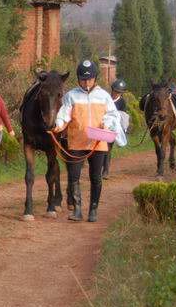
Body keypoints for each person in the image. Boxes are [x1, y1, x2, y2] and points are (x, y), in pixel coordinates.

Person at [52, 60, 125, 223]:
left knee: (96, 177)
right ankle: (77, 210)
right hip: (77, 142)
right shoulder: (71, 96)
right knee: (73, 177)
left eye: (90, 79)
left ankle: (93, 209)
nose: (86, 82)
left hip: (98, 143)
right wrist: (57, 125)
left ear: (95, 78)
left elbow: (113, 115)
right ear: (78, 79)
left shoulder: (104, 96)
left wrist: (107, 122)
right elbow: (64, 115)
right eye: (83, 79)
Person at [103, 78, 128, 179]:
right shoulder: (106, 98)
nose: (116, 94)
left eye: (119, 92)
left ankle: (105, 170)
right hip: (102, 125)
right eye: (115, 91)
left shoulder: (122, 102)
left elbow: (122, 116)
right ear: (112, 90)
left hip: (113, 128)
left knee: (108, 148)